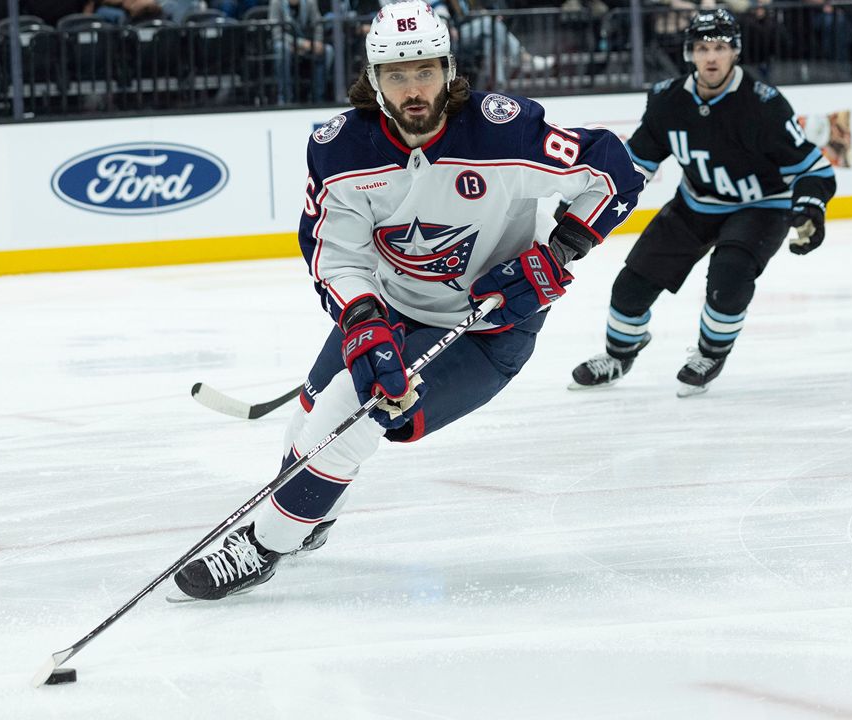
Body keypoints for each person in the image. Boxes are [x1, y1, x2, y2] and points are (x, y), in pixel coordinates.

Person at [167, 0, 645, 602]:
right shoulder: (340, 149)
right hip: (392, 304)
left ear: (449, 69)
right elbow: (334, 253)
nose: (413, 88)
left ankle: (264, 547)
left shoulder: (507, 131)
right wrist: (364, 317)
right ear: (372, 79)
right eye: (396, 74)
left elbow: (615, 170)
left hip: (485, 329)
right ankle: (306, 514)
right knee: (312, 412)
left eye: (424, 71)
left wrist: (560, 249)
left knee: (353, 406)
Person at [567, 8, 835, 397]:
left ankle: (710, 353)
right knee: (630, 285)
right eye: (702, 47)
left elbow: (816, 170)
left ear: (736, 52)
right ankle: (619, 354)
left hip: (762, 207)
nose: (711, 57)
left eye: (721, 47)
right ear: (689, 53)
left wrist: (811, 207)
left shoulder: (764, 104)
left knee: (728, 276)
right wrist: (584, 200)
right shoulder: (667, 100)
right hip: (695, 205)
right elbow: (634, 165)